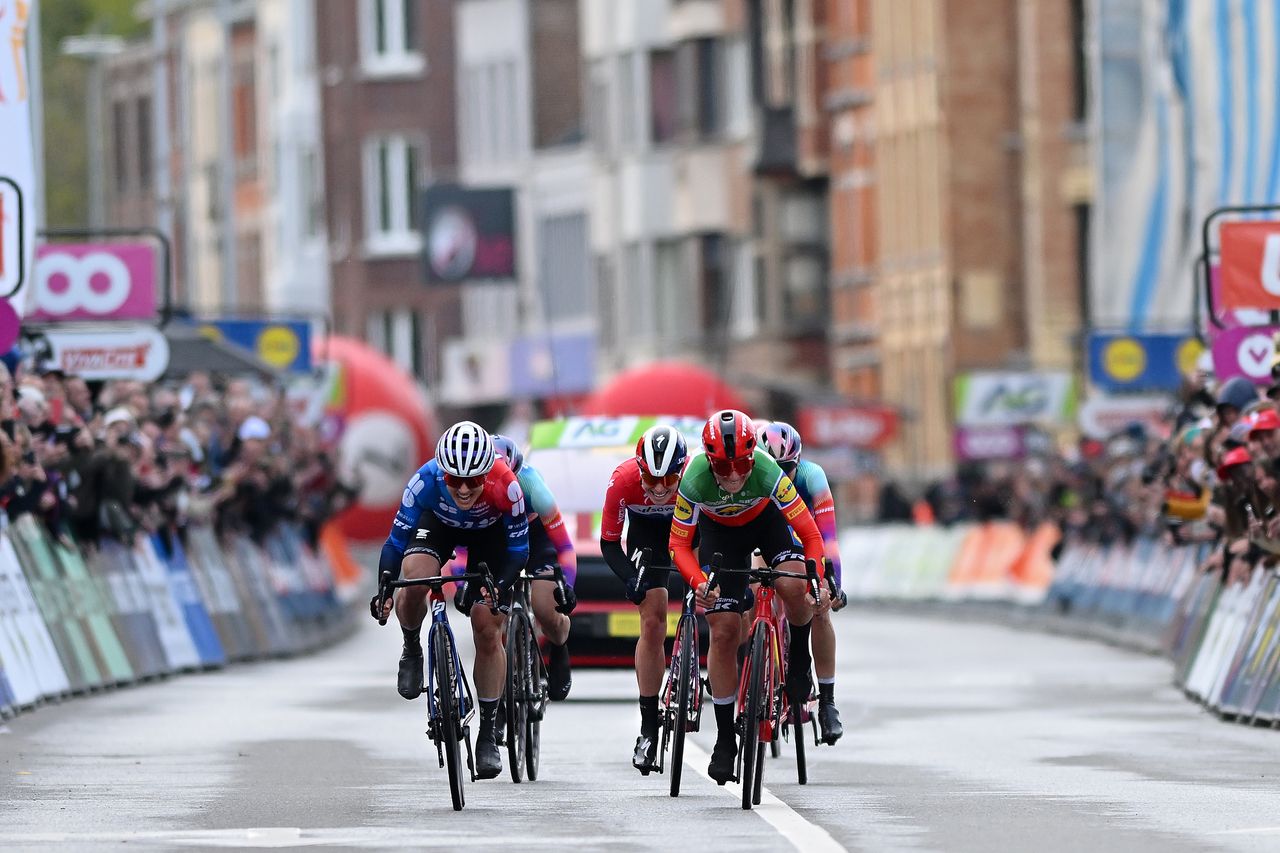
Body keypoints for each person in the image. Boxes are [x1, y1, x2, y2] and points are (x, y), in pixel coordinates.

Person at [669, 409, 830, 784]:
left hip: (766, 523)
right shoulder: (693, 480)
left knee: (793, 585)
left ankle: (798, 659)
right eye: (723, 468)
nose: (736, 475)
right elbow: (678, 544)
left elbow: (809, 534)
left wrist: (817, 579)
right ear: (709, 461)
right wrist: (699, 584)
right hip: (720, 536)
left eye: (741, 464)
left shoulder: (766, 470)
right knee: (723, 632)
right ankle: (726, 739)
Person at [372, 421, 529, 780]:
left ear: (486, 473)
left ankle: (488, 732)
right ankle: (412, 645)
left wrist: (499, 586)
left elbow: (519, 550)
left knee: (488, 628)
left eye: (472, 481)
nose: (462, 489)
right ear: (442, 471)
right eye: (454, 480)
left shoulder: (507, 485)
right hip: (438, 526)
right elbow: (395, 544)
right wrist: (384, 587)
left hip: (489, 539)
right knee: (413, 578)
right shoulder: (425, 480)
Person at [599, 423, 689, 773]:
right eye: (651, 480)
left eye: (669, 480)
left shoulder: (696, 479)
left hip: (688, 528)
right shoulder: (622, 481)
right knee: (653, 621)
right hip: (647, 537)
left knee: (717, 603)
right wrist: (629, 578)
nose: (660, 488)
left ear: (682, 471)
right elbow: (609, 543)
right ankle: (648, 726)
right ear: (639, 469)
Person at [757, 421, 846, 745]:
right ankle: (754, 674)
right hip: (763, 538)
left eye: (787, 469)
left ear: (798, 463)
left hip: (802, 540)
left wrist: (833, 582)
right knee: (752, 592)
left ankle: (827, 701)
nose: (781, 476)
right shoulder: (754, 480)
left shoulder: (812, 477)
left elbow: (829, 537)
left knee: (819, 604)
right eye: (773, 469)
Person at [488, 434, 577, 700]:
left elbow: (565, 547)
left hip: (537, 537)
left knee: (543, 607)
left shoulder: (532, 485)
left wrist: (567, 586)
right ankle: (500, 694)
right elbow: (461, 548)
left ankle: (559, 646)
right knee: (490, 615)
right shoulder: (476, 486)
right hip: (498, 538)